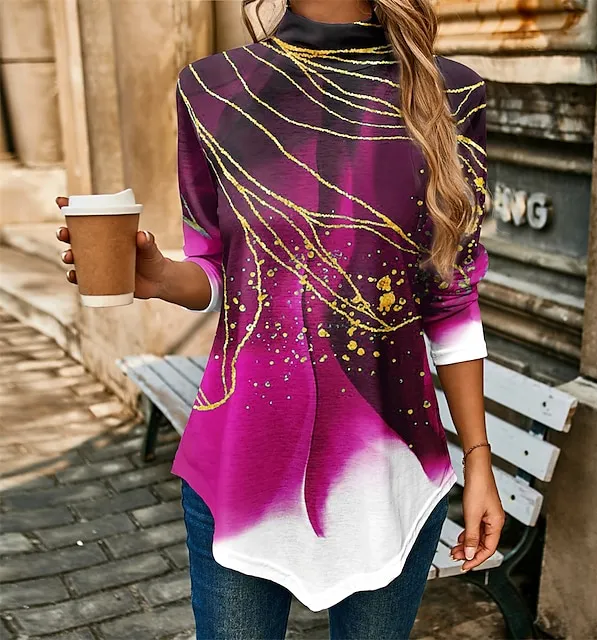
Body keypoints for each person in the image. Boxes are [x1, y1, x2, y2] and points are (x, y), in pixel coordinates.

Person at [56, 0, 505, 637]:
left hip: (392, 475)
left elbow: (451, 297)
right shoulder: (212, 89)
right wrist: (161, 278)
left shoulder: (451, 95)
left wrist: (479, 459)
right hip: (236, 466)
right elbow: (220, 267)